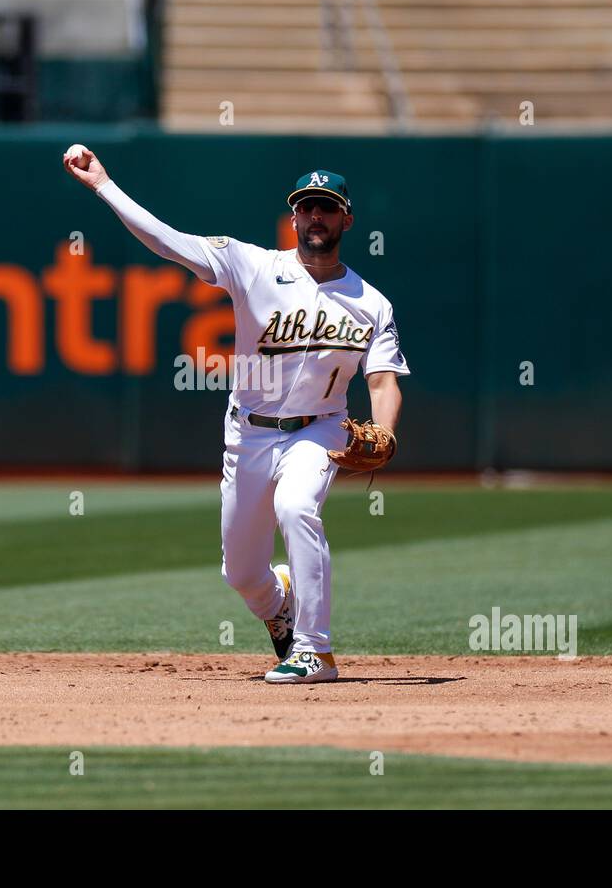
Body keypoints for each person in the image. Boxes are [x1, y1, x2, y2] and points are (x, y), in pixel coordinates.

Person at [63, 145, 408, 683]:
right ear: (293, 216)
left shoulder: (372, 302)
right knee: (242, 574)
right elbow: (167, 242)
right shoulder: (252, 265)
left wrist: (384, 430)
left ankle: (314, 649)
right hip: (248, 434)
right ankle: (278, 606)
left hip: (320, 430)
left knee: (298, 507)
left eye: (328, 206)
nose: (316, 216)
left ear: (347, 217)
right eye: (307, 206)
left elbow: (383, 380)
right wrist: (105, 185)